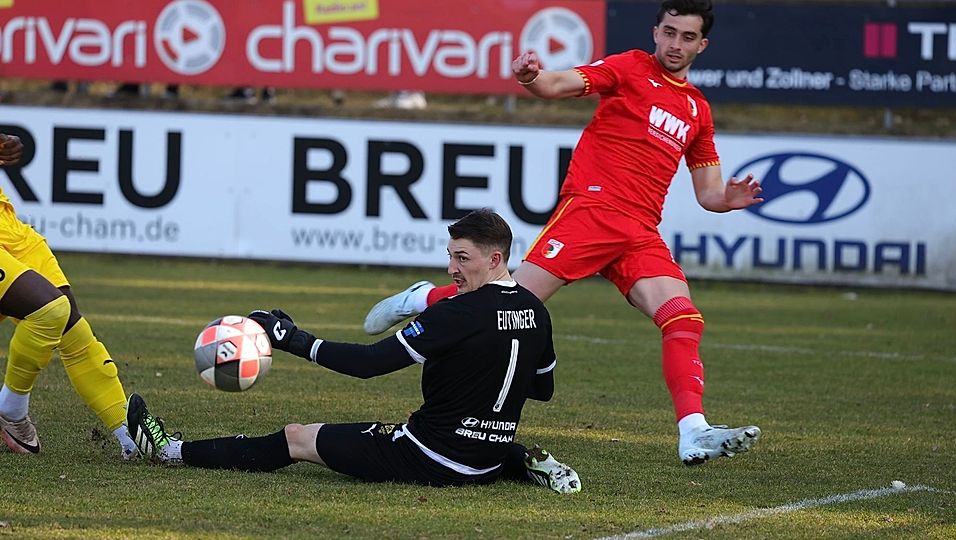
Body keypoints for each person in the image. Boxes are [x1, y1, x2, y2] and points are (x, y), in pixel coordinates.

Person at [363, 0, 763, 466]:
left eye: (687, 37)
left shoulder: (697, 109)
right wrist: (531, 77)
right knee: (507, 304)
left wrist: (727, 199)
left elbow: (708, 192)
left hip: (639, 230)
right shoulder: (630, 68)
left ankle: (693, 432)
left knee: (683, 318)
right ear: (656, 32)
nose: (676, 44)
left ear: (702, 44)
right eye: (670, 32)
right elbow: (556, 84)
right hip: (593, 211)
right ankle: (423, 298)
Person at [126, 209, 581, 493]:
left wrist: (292, 338)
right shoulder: (536, 311)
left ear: (495, 259)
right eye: (450, 255)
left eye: (462, 258)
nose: (451, 268)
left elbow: (369, 364)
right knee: (481, 440)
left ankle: (170, 451)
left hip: (431, 456)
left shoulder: (456, 313)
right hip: (489, 456)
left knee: (296, 437)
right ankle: (525, 461)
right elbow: (542, 389)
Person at [0, 133, 137, 458]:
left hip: (8, 224)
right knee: (49, 310)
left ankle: (129, 436)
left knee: (71, 327)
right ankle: (11, 408)